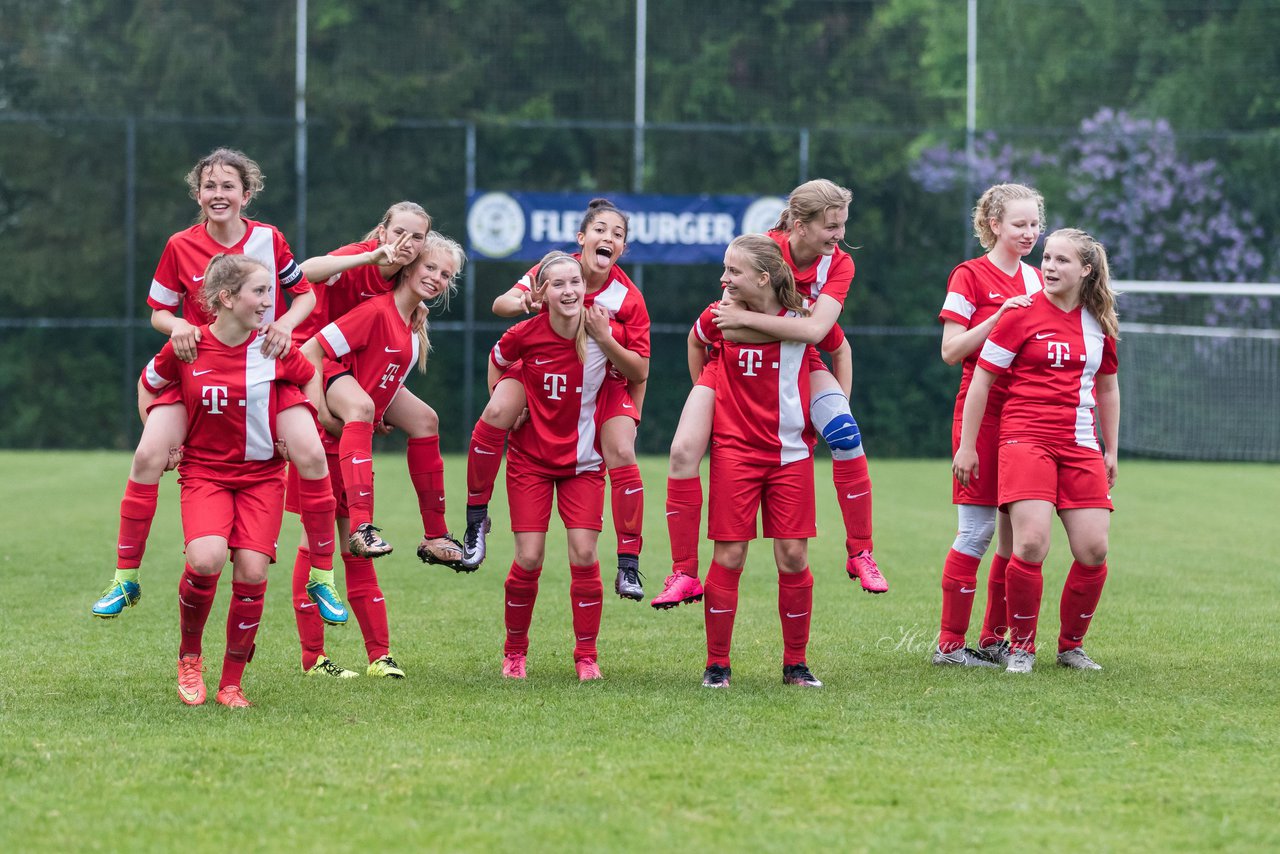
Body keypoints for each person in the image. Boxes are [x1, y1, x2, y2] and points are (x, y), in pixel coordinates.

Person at [91, 148, 339, 620]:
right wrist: (177, 328)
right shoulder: (180, 245)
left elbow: (304, 294)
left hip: (265, 367)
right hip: (198, 363)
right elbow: (159, 312)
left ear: (247, 194)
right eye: (209, 186)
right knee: (146, 455)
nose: (218, 194)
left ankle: (322, 577)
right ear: (198, 193)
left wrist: (286, 325)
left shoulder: (269, 238)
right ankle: (125, 578)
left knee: (310, 453)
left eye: (228, 186)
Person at [657, 178, 883, 611]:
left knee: (845, 433)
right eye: (831, 226)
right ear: (799, 226)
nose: (840, 237)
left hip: (802, 360)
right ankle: (684, 572)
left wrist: (764, 326)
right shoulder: (761, 251)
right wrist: (711, 380)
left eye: (842, 225)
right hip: (729, 363)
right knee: (683, 451)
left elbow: (819, 333)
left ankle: (860, 552)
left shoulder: (838, 263)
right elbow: (722, 321)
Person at [140, 253, 324, 707]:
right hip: (205, 473)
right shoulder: (186, 344)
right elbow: (149, 383)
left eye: (270, 292)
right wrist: (162, 434)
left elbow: (309, 380)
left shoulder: (275, 347)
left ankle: (231, 683)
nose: (270, 301)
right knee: (205, 560)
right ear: (226, 298)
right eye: (260, 292)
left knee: (253, 571)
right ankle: (189, 657)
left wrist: (301, 424)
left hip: (262, 476)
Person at [285, 203, 452, 679]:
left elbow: (378, 381)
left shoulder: (402, 314)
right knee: (317, 538)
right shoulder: (367, 267)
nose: (407, 243)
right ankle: (314, 657)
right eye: (400, 233)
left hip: (343, 395)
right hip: (313, 379)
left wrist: (372, 406)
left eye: (417, 238)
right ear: (383, 230)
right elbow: (305, 276)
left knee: (424, 419)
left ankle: (379, 654)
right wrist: (319, 408)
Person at [462, 199, 650, 604]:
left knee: (620, 448)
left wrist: (607, 343)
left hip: (601, 384)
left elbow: (639, 370)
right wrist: (525, 302)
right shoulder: (556, 271)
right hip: (541, 371)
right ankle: (476, 519)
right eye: (601, 229)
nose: (609, 238)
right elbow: (501, 306)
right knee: (496, 411)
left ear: (622, 250)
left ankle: (629, 561)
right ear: (581, 238)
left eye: (618, 234)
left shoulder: (627, 299)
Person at [953, 228, 1119, 674]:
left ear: (1086, 270)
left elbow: (1107, 386)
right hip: (1025, 439)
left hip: (1081, 444)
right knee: (1029, 544)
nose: (1049, 266)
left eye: (1062, 260)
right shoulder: (1020, 313)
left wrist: (1112, 449)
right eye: (1047, 258)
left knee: (1093, 550)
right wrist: (968, 445)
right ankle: (1021, 648)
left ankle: (1070, 648)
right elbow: (982, 382)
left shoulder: (1098, 321)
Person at [696, 235, 848, 689]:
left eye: (734, 271)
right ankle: (717, 665)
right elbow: (695, 341)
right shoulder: (718, 315)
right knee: (730, 554)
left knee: (794, 555)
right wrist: (707, 393)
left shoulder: (803, 317)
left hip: (791, 454)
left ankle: (796, 665)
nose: (724, 278)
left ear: (763, 277)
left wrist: (835, 404)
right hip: (735, 453)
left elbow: (837, 347)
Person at [933, 183, 1045, 667]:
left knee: (1012, 538)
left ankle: (994, 640)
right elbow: (951, 350)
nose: (1029, 233)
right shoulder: (969, 277)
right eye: (1019, 224)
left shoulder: (1042, 280)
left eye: (1035, 224)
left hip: (1025, 419)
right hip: (979, 416)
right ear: (994, 224)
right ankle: (950, 647)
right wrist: (999, 315)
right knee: (976, 532)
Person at [492, 252, 613, 682]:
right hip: (531, 461)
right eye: (558, 284)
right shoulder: (525, 332)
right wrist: (506, 402)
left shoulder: (602, 331)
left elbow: (635, 370)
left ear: (585, 286)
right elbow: (498, 360)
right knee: (529, 557)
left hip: (583, 463)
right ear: (541, 293)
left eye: (575, 282)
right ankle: (515, 652)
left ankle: (586, 657)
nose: (569, 290)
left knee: (584, 553)